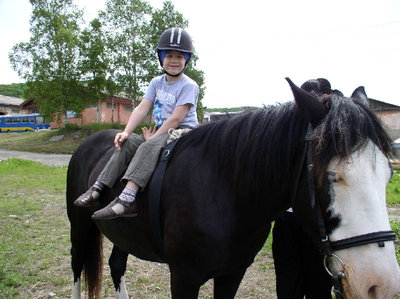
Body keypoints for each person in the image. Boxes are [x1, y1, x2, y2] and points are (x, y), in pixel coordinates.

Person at [74, 28, 199, 220]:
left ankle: (127, 199)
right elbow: (142, 108)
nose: (174, 60)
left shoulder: (189, 86)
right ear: (161, 58)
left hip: (183, 131)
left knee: (148, 146)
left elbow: (176, 118)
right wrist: (126, 131)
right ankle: (98, 186)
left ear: (186, 60)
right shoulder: (156, 83)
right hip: (162, 130)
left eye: (179, 57)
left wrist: (153, 138)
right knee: (129, 142)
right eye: (169, 55)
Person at [272, 78, 342, 299]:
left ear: (327, 99)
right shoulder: (287, 131)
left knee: (319, 288)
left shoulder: (333, 135)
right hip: (288, 221)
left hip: (318, 227)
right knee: (287, 288)